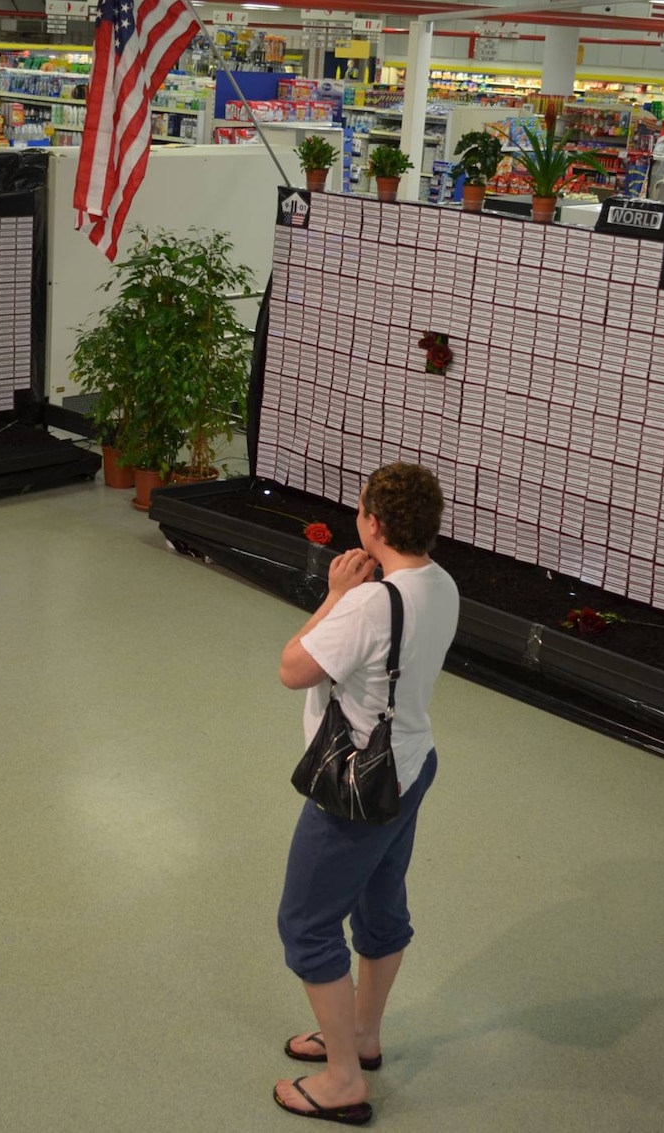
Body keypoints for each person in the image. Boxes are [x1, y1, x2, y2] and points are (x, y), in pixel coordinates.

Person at [271, 462, 460, 1125]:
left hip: (357, 783)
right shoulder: (441, 584)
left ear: (372, 523)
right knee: (380, 907)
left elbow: (293, 667)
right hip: (411, 764)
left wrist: (333, 593)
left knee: (306, 922)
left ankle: (344, 1077)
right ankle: (364, 1034)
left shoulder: (368, 602)